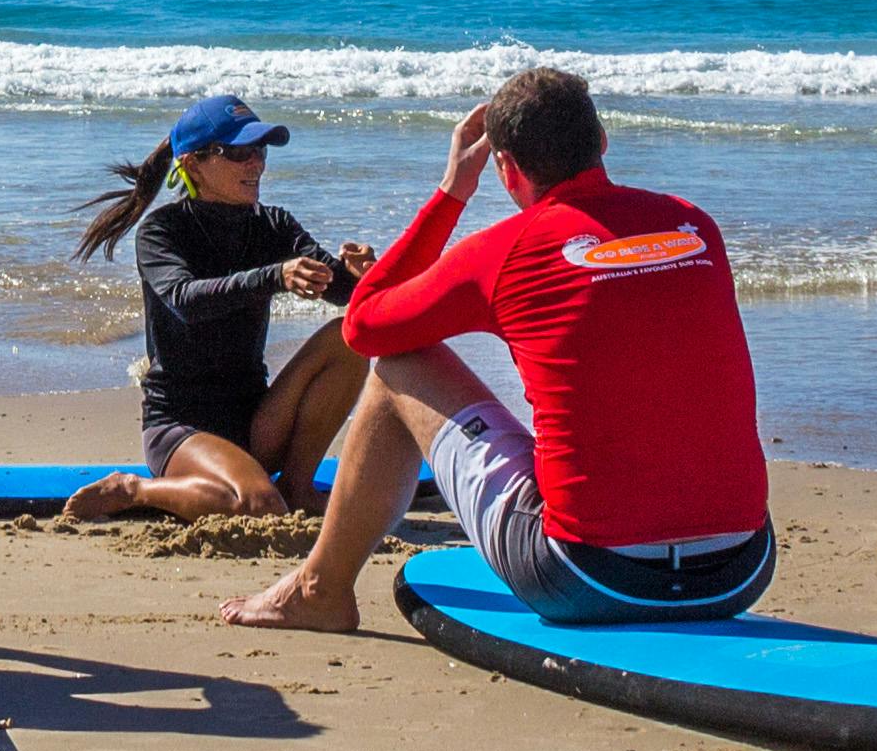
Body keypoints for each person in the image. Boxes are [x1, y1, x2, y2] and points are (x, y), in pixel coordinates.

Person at [221, 65, 774, 635]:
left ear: (506, 170)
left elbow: (364, 325)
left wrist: (452, 190)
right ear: (602, 141)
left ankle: (320, 590)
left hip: (591, 578)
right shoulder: (692, 224)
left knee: (400, 363)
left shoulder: (504, 252)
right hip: (741, 569)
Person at [58, 91, 376, 519]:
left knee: (350, 336)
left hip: (258, 419)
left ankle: (298, 487)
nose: (256, 163)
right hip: (182, 427)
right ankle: (135, 489)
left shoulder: (274, 224)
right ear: (193, 163)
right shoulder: (161, 231)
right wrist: (275, 275)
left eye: (259, 150)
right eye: (239, 152)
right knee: (258, 504)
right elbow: (185, 300)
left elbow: (346, 293)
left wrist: (368, 276)